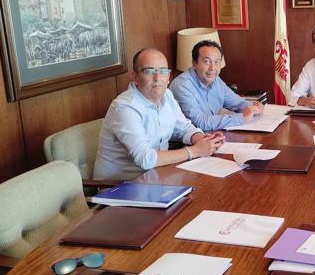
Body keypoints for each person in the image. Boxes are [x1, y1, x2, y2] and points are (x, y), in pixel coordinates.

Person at [93, 48, 224, 180]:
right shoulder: (125, 107)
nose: (157, 78)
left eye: (162, 71)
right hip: (120, 188)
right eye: (149, 71)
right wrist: (195, 151)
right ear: (135, 77)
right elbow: (145, 159)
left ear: (168, 77)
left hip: (157, 176)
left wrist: (203, 140)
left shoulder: (167, 95)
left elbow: (184, 128)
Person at [169, 40, 263, 131]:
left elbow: (238, 103)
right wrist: (241, 118)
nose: (212, 68)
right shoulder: (182, 86)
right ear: (194, 63)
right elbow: (200, 122)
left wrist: (254, 108)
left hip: (211, 135)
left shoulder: (216, 80)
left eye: (217, 62)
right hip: (187, 141)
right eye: (207, 61)